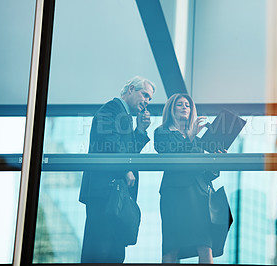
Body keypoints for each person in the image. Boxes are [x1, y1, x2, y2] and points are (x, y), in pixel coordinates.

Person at [79, 76, 155, 263]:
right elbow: (108, 143)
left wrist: (141, 130)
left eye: (150, 99)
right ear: (130, 89)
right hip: (104, 193)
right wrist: (125, 169)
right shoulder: (111, 109)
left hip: (114, 196)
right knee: (100, 250)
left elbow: (129, 152)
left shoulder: (124, 116)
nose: (146, 101)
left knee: (113, 252)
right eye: (144, 95)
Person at [154, 93, 223, 264]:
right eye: (180, 104)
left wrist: (217, 160)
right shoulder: (162, 132)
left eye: (188, 105)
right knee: (172, 247)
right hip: (174, 195)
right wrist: (190, 136)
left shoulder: (198, 140)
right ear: (171, 109)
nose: (185, 107)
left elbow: (206, 175)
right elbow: (171, 155)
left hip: (198, 196)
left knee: (205, 246)